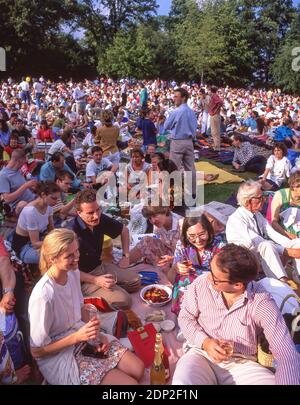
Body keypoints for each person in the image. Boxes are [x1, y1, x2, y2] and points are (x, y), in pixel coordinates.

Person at [28, 228, 144, 385]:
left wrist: (96, 334)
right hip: (59, 355)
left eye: (77, 251)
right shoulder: (43, 295)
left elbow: (80, 308)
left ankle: (103, 368)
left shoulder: (72, 273)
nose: (77, 258)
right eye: (69, 255)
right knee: (130, 384)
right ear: (52, 259)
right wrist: (77, 337)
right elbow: (36, 351)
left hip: (80, 335)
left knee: (138, 368)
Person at [172, 244, 300, 385]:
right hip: (201, 354)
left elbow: (286, 354)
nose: (208, 278)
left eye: (215, 279)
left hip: (242, 363)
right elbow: (185, 317)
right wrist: (205, 342)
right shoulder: (201, 284)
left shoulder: (261, 302)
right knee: (182, 382)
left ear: (237, 285)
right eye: (211, 270)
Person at [71, 190, 140, 309]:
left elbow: (124, 231)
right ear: (79, 213)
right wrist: (96, 280)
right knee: (125, 301)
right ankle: (82, 299)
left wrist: (126, 256)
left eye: (98, 210)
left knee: (136, 281)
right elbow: (69, 270)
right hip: (82, 278)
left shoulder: (100, 219)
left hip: (100, 266)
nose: (96, 216)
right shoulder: (71, 233)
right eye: (90, 213)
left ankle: (109, 290)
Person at [226, 180, 300, 285]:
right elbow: (256, 243)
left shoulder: (257, 214)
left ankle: (298, 276)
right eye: (260, 197)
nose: (264, 200)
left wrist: (291, 245)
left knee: (297, 243)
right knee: (266, 245)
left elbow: (272, 233)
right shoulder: (237, 220)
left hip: (261, 255)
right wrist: (287, 251)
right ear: (248, 201)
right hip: (247, 260)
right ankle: (281, 282)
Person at [169, 215, 226, 316]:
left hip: (212, 287)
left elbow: (223, 276)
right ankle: (184, 313)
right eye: (192, 236)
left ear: (209, 230)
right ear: (186, 235)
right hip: (187, 288)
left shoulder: (219, 246)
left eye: (202, 234)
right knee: (182, 279)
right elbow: (171, 279)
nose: (198, 240)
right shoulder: (182, 245)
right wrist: (175, 268)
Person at [11, 181, 60, 264]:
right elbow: (35, 243)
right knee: (57, 256)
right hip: (24, 247)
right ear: (43, 194)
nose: (56, 201)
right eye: (53, 198)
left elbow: (51, 230)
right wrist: (56, 242)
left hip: (40, 238)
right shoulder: (31, 212)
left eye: (57, 198)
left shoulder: (49, 207)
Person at [164, 88, 197, 196]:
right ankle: (192, 192)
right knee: (190, 168)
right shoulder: (191, 112)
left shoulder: (176, 111)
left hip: (178, 141)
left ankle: (174, 193)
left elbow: (166, 126)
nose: (174, 99)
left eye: (176, 96)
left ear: (183, 98)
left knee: (174, 167)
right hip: (189, 142)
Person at [129, 205, 182, 271]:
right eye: (150, 218)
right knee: (146, 241)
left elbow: (190, 251)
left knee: (162, 267)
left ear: (165, 211)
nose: (153, 221)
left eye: (154, 216)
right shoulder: (158, 225)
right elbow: (163, 244)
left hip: (182, 259)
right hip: (168, 255)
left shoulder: (181, 223)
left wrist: (172, 258)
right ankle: (123, 264)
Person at [0, 149, 36, 214]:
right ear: (19, 161)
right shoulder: (3, 175)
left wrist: (32, 187)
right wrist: (25, 186)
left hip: (33, 199)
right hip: (20, 206)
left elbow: (21, 185)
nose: (24, 164)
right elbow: (7, 199)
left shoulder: (18, 170)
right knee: (23, 204)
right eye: (24, 162)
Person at [208, 86, 223, 151]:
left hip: (215, 115)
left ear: (211, 91)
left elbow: (220, 102)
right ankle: (216, 146)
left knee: (215, 132)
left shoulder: (214, 96)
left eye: (209, 90)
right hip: (214, 115)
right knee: (214, 131)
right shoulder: (214, 96)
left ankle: (217, 147)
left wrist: (215, 111)